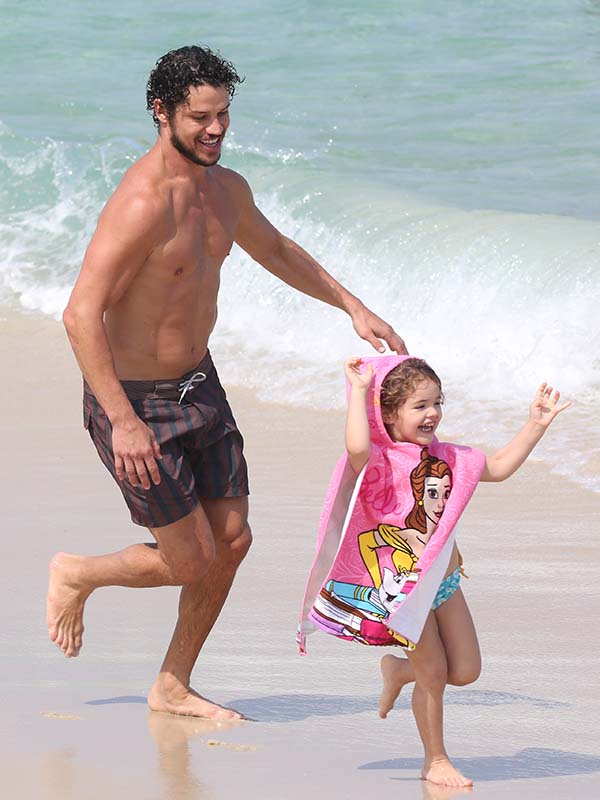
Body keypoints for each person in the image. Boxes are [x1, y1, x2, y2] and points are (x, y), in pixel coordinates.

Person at [45, 45, 405, 721]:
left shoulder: (225, 189)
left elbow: (275, 251)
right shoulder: (140, 204)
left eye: (223, 116)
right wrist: (121, 419)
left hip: (198, 385)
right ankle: (77, 573)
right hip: (137, 403)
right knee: (188, 559)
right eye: (200, 118)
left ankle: (173, 682)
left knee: (231, 542)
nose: (215, 130)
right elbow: (79, 313)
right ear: (162, 112)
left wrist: (353, 307)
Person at [343, 356, 571, 787]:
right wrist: (358, 391)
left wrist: (536, 425)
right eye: (419, 406)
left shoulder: (449, 459)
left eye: (437, 403)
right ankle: (436, 760)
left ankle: (397, 670)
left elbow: (499, 466)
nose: (432, 414)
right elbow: (356, 447)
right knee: (433, 673)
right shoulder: (380, 461)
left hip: (444, 582)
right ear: (389, 414)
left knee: (464, 670)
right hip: (404, 590)